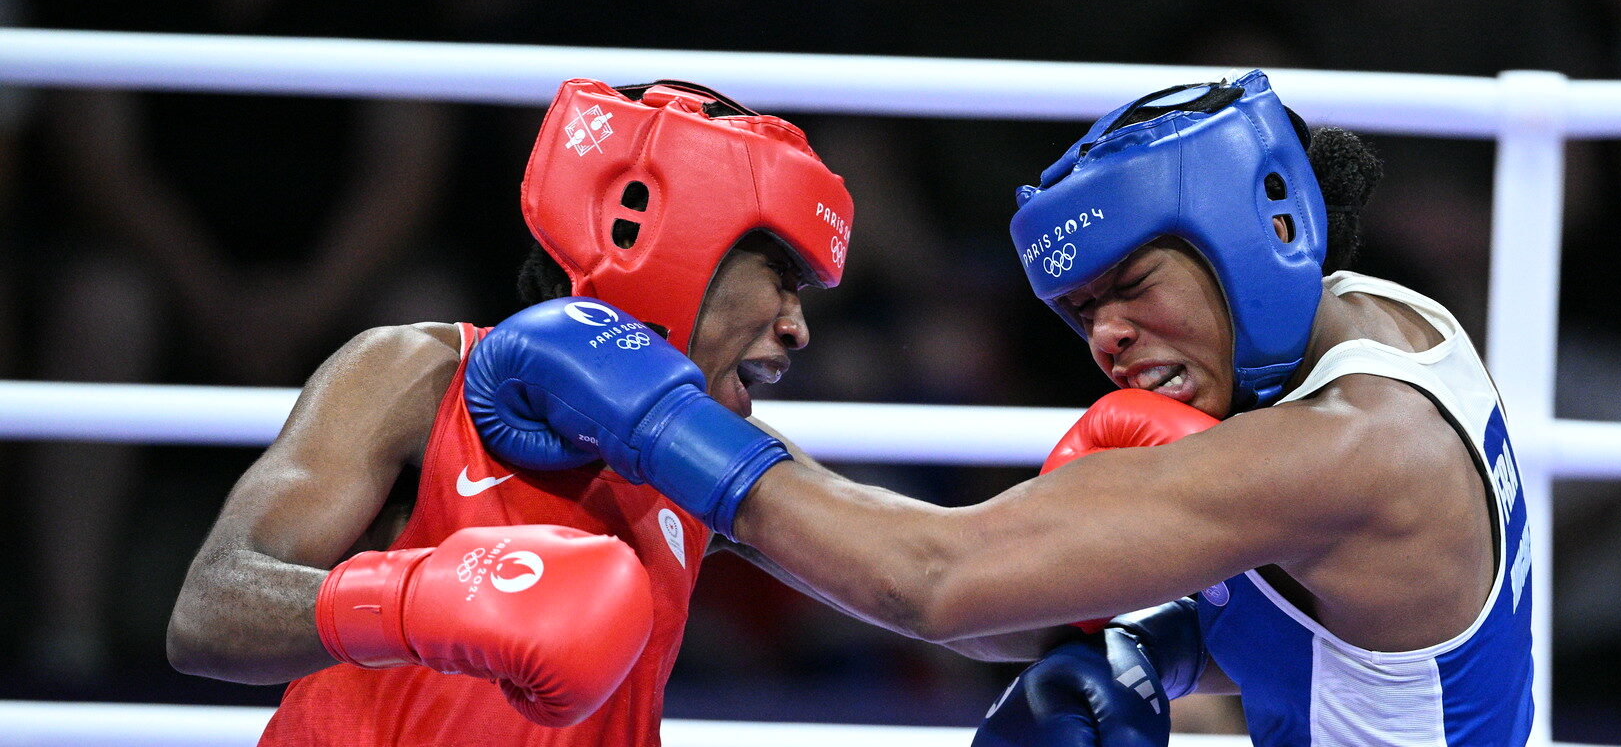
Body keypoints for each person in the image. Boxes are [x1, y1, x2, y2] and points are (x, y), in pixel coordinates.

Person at [472, 70, 1534, 745]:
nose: (1106, 338)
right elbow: (1349, 636)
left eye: (1130, 286)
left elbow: (941, 582)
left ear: (1262, 234)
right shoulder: (1379, 319)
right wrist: (1156, 650)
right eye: (1082, 310)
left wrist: (658, 420)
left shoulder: (1347, 447)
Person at [167, 78, 856, 744]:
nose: (798, 328)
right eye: (780, 278)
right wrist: (413, 605)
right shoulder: (423, 374)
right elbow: (208, 609)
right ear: (676, 246)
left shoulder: (711, 453)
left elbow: (922, 576)